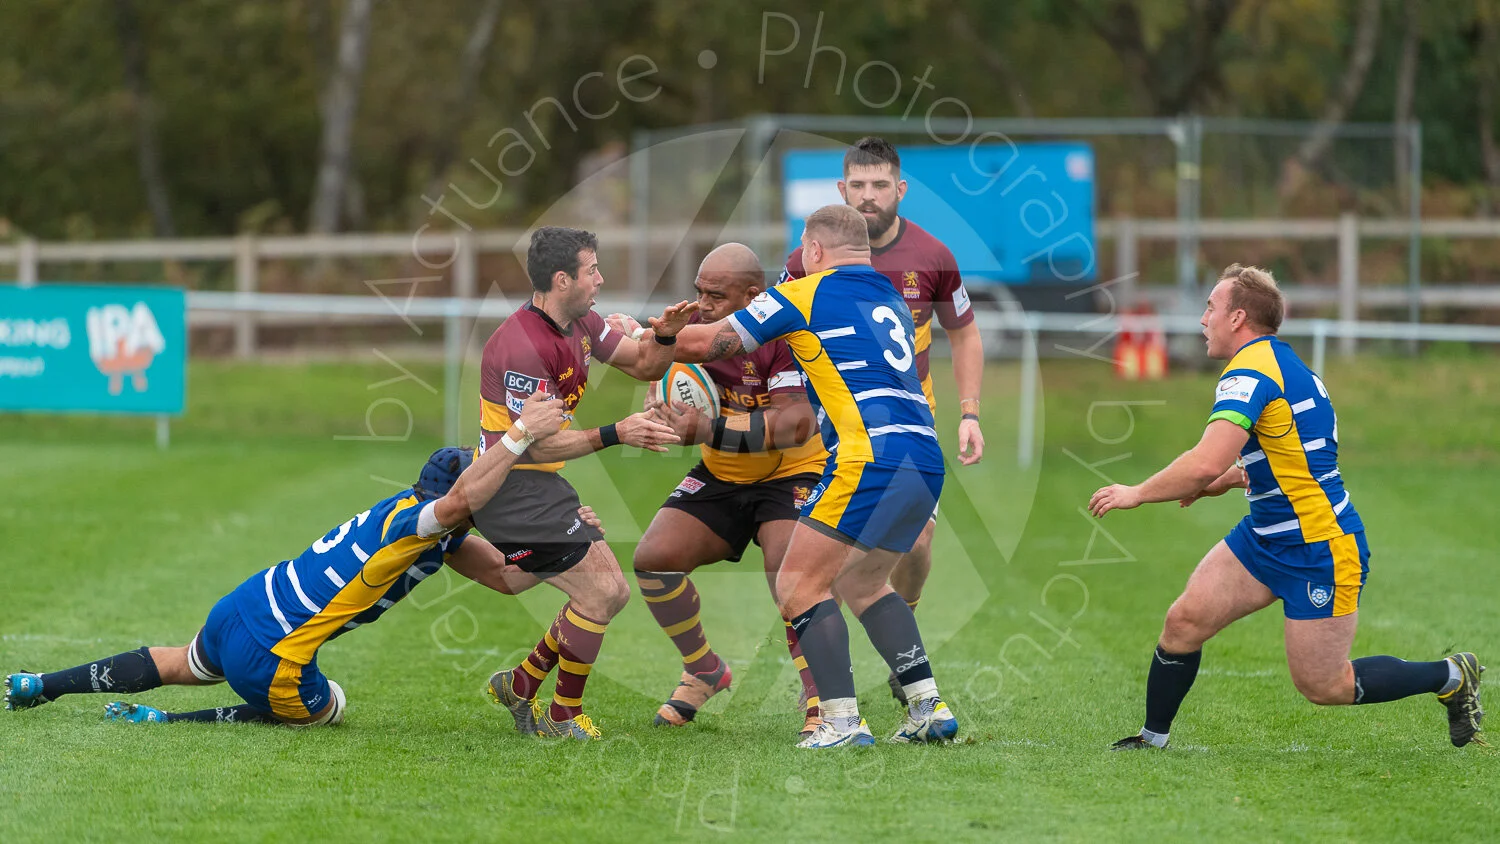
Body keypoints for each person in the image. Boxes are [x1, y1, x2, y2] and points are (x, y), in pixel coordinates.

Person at [1089, 264, 1484, 750]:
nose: (1202, 319)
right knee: (1184, 621)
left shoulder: (1250, 373)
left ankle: (1449, 676)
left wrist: (1138, 492)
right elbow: (1293, 458)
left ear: (1237, 318)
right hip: (1264, 539)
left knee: (1323, 684)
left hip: (1320, 547)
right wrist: (1229, 481)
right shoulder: (1289, 368)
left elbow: (1204, 460)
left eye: (1210, 308)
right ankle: (1152, 740)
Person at [4, 395, 570, 726]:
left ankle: (43, 683)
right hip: (275, 654)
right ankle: (167, 722)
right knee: (334, 708)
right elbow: (459, 503)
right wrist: (519, 435)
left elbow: (506, 577)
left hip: (243, 605)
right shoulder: (418, 525)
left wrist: (565, 541)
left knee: (179, 661)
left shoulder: (424, 525)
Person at [668, 204, 958, 748]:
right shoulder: (890, 298)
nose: (797, 258)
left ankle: (841, 721)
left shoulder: (804, 293)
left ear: (817, 251)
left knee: (798, 585)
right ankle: (927, 706)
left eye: (802, 248)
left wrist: (649, 334)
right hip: (923, 455)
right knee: (865, 582)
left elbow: (705, 343)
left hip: (866, 454)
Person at [781, 137, 984, 702]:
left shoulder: (933, 255)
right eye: (858, 186)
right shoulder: (805, 261)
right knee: (825, 553)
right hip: (839, 429)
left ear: (900, 189)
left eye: (879, 185)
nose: (868, 198)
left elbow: (964, 334)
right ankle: (822, 684)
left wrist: (970, 413)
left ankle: (903, 639)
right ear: (841, 191)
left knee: (914, 546)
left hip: (907, 427)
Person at [475, 225, 694, 740]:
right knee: (602, 593)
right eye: (591, 270)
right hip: (509, 491)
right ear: (562, 279)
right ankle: (562, 716)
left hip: (539, 487)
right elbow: (535, 443)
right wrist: (619, 432)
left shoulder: (582, 321)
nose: (600, 279)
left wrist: (664, 336)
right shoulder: (522, 347)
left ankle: (522, 684)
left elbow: (642, 365)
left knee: (609, 595)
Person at [608, 243, 825, 737]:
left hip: (792, 471)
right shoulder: (694, 331)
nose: (702, 305)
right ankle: (703, 668)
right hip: (723, 473)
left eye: (716, 296)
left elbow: (794, 423)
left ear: (753, 296)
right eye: (698, 292)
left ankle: (820, 692)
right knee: (654, 558)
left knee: (789, 574)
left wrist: (706, 429)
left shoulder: (787, 335)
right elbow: (648, 357)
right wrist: (633, 342)